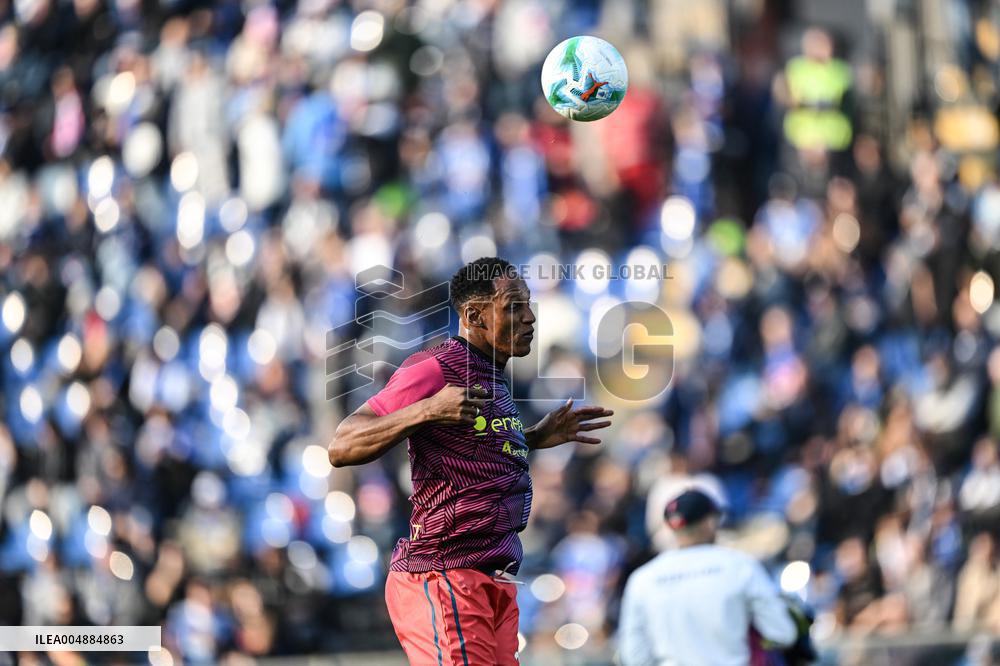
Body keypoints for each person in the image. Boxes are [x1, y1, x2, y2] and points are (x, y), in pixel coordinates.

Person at [328, 256, 614, 665]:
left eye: (529, 305)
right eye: (514, 306)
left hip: (490, 578)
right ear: (476, 315)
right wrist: (425, 411)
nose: (530, 318)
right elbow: (342, 445)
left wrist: (531, 439)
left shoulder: (493, 379)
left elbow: (468, 453)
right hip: (444, 572)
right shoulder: (435, 368)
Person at [618, 488, 798, 666]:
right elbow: (782, 633)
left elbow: (634, 656)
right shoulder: (740, 566)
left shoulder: (643, 578)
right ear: (710, 522)